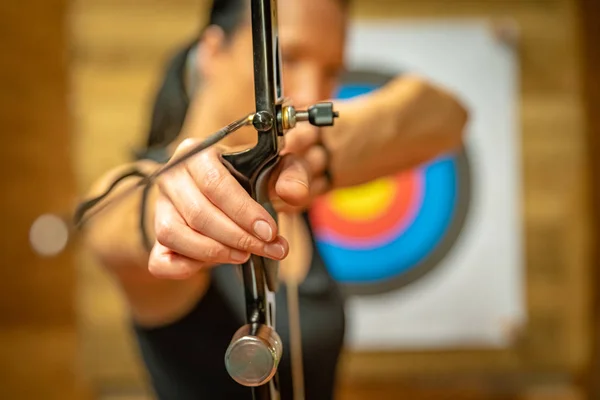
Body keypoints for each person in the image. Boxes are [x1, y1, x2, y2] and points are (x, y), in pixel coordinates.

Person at [82, 0, 469, 398]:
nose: (313, 93)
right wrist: (168, 208)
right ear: (212, 52)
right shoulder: (165, 190)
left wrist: (336, 143)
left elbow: (449, 117)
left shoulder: (291, 182)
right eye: (286, 58)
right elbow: (112, 220)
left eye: (332, 71)